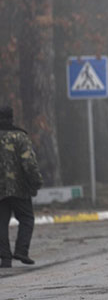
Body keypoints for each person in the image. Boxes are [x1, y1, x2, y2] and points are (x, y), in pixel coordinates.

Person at [0, 106, 42, 268]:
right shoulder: (20, 137)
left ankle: (5, 258)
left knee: (1, 222)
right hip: (19, 188)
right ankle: (21, 250)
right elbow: (29, 163)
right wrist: (35, 182)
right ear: (11, 118)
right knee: (26, 218)